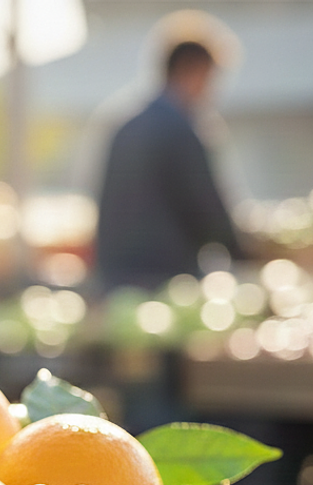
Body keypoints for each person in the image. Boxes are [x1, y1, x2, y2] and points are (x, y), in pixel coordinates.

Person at [93, 38, 246, 294]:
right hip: (165, 277)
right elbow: (207, 209)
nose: (210, 91)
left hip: (115, 275)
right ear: (192, 69)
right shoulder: (180, 128)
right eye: (209, 78)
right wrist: (246, 253)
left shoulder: (126, 125)